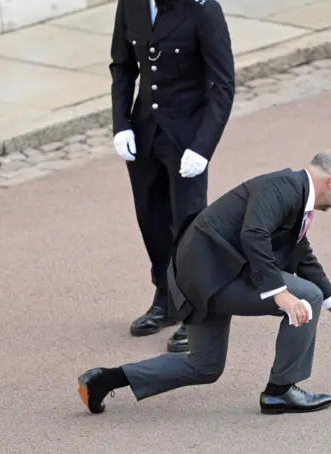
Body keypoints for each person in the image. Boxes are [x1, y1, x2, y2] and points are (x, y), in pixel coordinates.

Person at [77, 149, 331, 415]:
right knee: (306, 297)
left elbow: (304, 258)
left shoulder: (293, 195)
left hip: (204, 277)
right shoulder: (283, 188)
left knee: (204, 366)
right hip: (211, 277)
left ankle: (104, 380)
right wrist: (281, 294)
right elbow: (254, 234)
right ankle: (281, 390)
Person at [109, 0, 235, 352]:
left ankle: (195, 312)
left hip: (187, 138)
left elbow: (223, 85)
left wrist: (203, 146)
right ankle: (165, 298)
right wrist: (121, 124)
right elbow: (122, 67)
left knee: (190, 228)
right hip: (144, 133)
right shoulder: (131, 3)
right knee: (150, 219)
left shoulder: (203, 9)